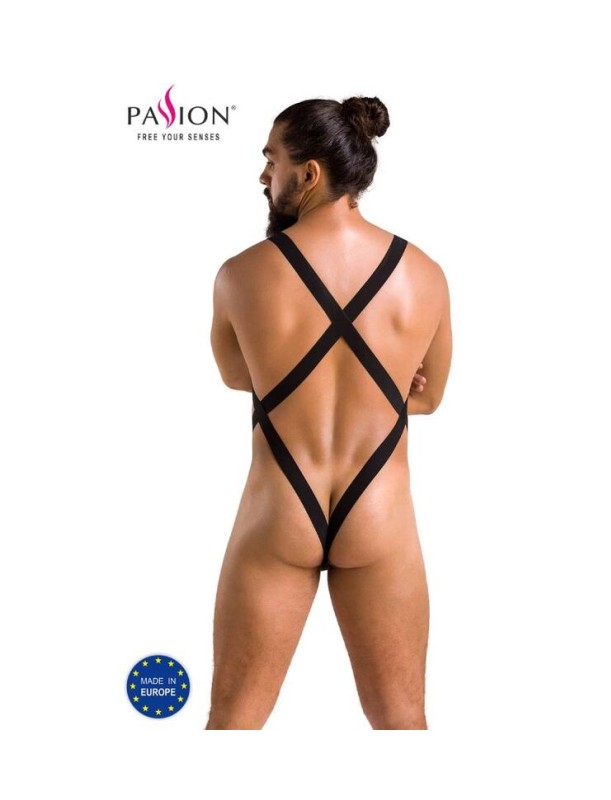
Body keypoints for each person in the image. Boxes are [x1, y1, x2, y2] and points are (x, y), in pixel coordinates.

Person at [206, 96, 452, 730]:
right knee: (402, 722)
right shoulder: (424, 275)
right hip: (379, 509)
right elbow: (428, 398)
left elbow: (239, 377)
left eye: (273, 161)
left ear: (309, 173)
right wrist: (384, 382)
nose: (264, 176)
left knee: (233, 721)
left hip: (281, 507)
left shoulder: (240, 274)